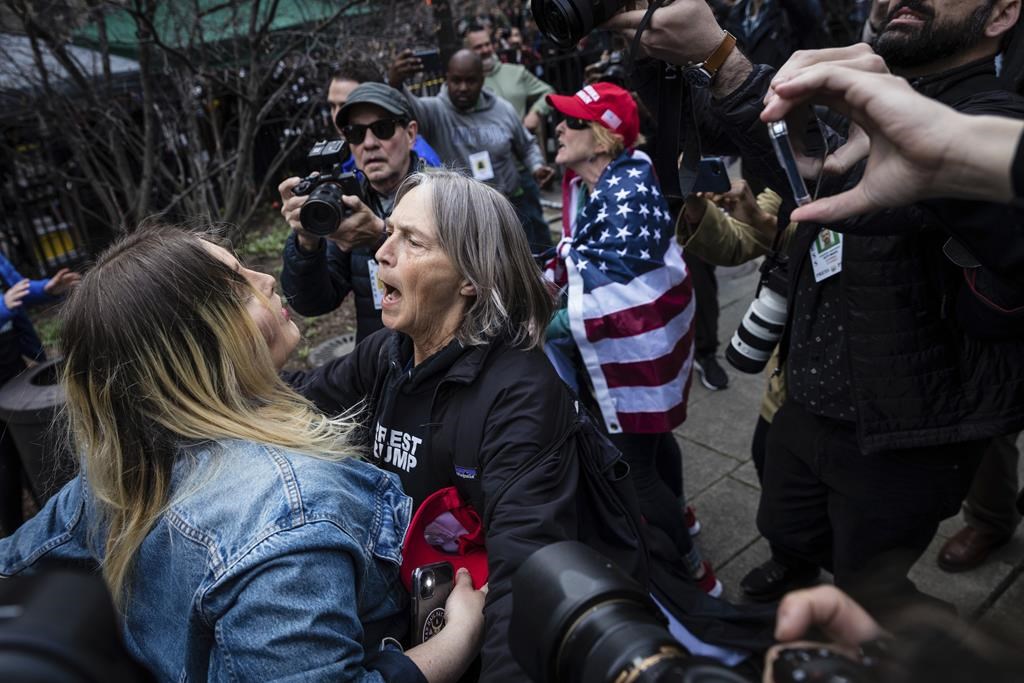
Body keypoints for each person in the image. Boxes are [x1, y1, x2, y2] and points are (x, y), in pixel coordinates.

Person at [605, 0, 1024, 607]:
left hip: (905, 425)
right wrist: (667, 57)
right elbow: (803, 169)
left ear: (1000, 15)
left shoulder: (995, 120)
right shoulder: (866, 87)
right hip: (806, 386)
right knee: (784, 519)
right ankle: (793, 566)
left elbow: (876, 194)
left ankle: (907, 639)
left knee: (867, 580)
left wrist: (725, 59)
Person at [0, 227, 484, 682]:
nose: (267, 279)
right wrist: (456, 640)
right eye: (238, 285)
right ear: (195, 345)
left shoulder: (116, 473)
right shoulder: (289, 514)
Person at [285, 169, 597, 682]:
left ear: (470, 278)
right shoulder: (389, 352)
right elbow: (302, 400)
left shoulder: (521, 394)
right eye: (390, 233)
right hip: (404, 621)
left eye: (413, 241)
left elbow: (524, 579)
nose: (383, 253)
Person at [541, 82, 721, 597]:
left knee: (636, 473)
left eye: (573, 121)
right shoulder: (600, 181)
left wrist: (549, 323)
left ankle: (691, 569)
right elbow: (584, 260)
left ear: (603, 138)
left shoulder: (626, 194)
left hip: (629, 357)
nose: (558, 126)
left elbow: (620, 287)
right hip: (633, 355)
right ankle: (682, 520)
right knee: (656, 440)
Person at [280, 82, 436, 343]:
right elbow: (313, 303)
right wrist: (306, 243)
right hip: (380, 364)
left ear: (410, 134)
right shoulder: (345, 203)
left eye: (382, 129)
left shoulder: (442, 193)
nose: (369, 143)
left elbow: (465, 279)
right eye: (355, 133)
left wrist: (379, 235)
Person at [388, 49, 556, 254]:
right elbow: (404, 108)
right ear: (446, 79)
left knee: (527, 268)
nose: (463, 88)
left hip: (511, 208)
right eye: (456, 81)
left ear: (482, 80)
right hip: (466, 219)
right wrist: (395, 83)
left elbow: (526, 145)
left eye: (471, 81)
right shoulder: (434, 111)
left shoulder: (502, 109)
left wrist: (537, 167)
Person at [0, 256, 79, 536]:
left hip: (9, 356)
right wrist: (2, 307)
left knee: (28, 443)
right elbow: (7, 300)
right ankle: (12, 537)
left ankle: (49, 524)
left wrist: (47, 288)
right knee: (6, 458)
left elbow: (16, 287)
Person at [463, 24, 556, 252]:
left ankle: (551, 275)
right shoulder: (467, 85)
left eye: (487, 44)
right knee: (499, 240)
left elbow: (548, 92)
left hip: (522, 169)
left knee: (536, 230)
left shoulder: (515, 72)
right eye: (478, 47)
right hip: (485, 177)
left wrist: (535, 113)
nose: (485, 50)